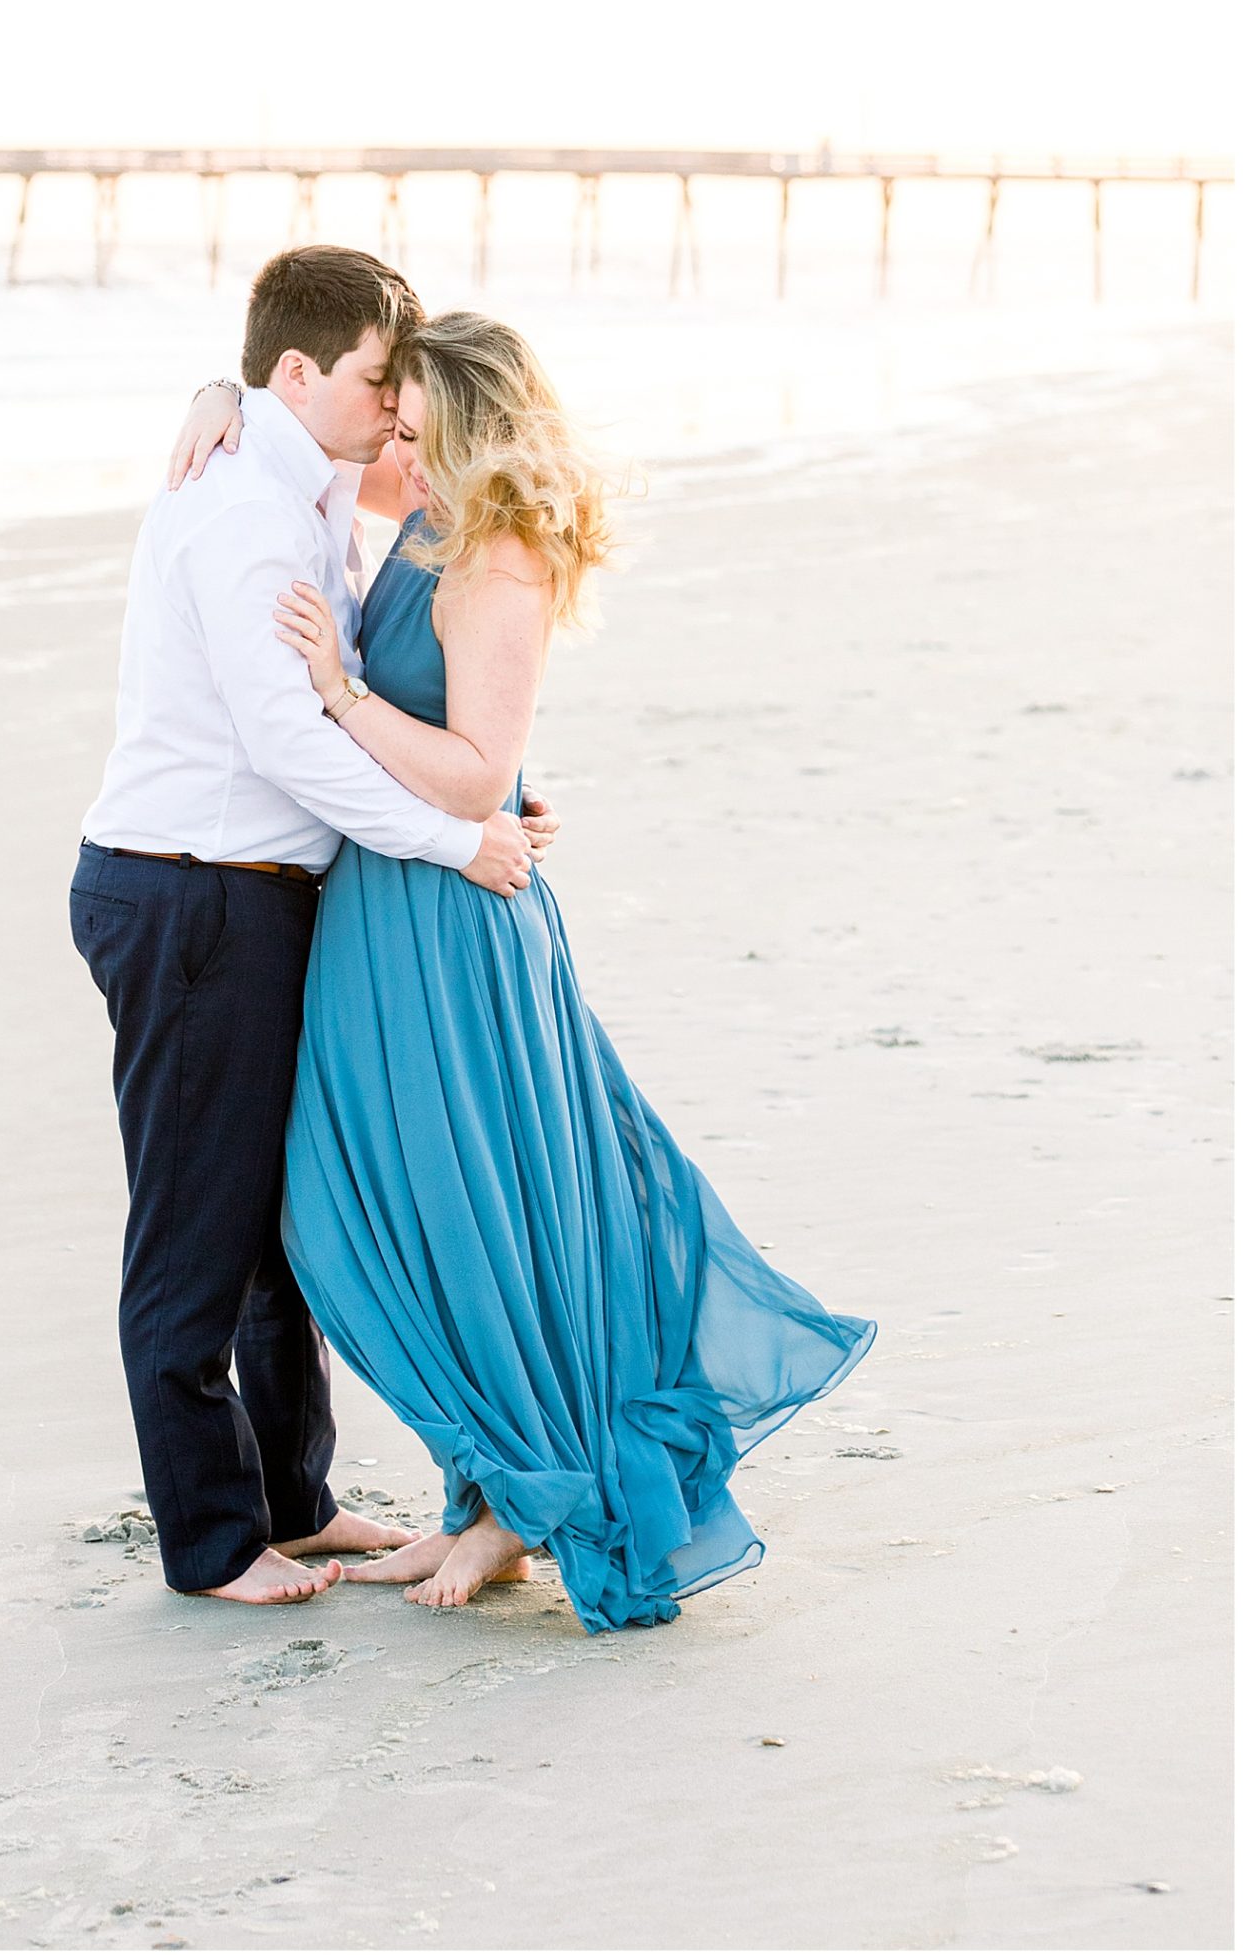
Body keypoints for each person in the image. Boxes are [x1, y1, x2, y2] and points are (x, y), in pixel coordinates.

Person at [172, 310, 877, 1632]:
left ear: (467, 421)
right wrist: (221, 394)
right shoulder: (432, 507)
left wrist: (337, 690)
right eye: (391, 417)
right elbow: (305, 442)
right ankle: (485, 1491)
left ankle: (519, 1503)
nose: (392, 442)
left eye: (415, 422)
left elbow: (474, 773)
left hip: (449, 920)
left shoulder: (496, 547)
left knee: (474, 1208)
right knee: (388, 1207)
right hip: (383, 908)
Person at [70, 246, 562, 1607]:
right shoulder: (239, 511)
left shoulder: (312, 474)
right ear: (299, 376)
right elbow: (292, 739)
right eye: (372, 376)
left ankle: (293, 1497)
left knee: (274, 1224)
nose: (393, 402)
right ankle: (213, 1541)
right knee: (196, 1229)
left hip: (263, 892)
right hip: (191, 889)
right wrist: (461, 836)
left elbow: (445, 647)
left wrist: (495, 793)